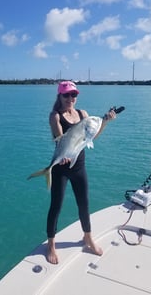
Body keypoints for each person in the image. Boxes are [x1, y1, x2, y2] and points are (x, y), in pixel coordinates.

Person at [46, 80, 116, 264]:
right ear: (60, 96)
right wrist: (63, 158)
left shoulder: (83, 114)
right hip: (61, 167)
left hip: (79, 166)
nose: (70, 98)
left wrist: (106, 122)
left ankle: (87, 238)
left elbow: (92, 136)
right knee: (56, 206)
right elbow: (60, 140)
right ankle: (51, 245)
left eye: (74, 95)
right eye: (67, 95)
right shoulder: (55, 116)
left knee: (84, 204)